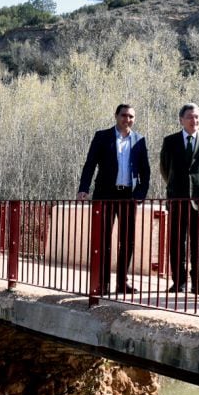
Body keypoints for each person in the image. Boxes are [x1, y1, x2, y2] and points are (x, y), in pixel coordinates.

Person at [77, 104, 151, 294]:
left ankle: (121, 283)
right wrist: (83, 189)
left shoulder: (139, 140)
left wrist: (140, 194)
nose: (128, 119)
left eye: (131, 116)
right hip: (105, 194)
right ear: (116, 116)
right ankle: (102, 282)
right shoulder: (102, 136)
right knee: (103, 240)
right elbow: (90, 164)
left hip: (129, 196)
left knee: (128, 241)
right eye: (124, 115)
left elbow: (145, 170)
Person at [159, 104, 199, 294]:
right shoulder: (170, 141)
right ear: (181, 120)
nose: (194, 121)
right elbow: (164, 168)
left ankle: (198, 282)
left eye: (197, 117)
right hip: (177, 198)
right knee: (177, 243)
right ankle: (179, 281)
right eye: (190, 117)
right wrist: (176, 186)